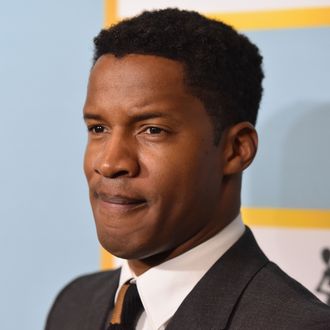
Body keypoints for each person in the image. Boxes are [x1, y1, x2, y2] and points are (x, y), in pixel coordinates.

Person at [45, 8, 330, 330]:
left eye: (152, 130)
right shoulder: (75, 304)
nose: (110, 163)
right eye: (98, 128)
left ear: (236, 149)